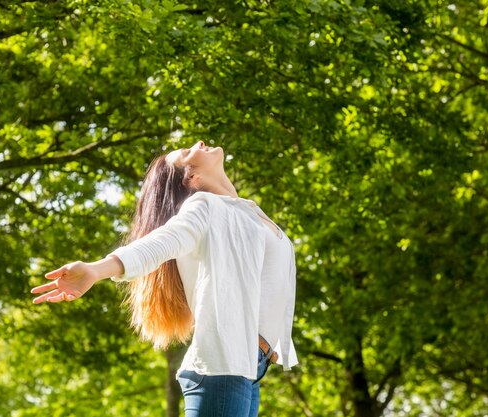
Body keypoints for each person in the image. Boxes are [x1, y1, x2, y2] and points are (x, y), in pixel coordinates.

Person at [31, 140, 298, 416]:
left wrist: (269, 345)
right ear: (192, 178)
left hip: (247, 366)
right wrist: (96, 269)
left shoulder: (247, 212)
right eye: (186, 152)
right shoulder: (204, 207)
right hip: (222, 368)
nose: (199, 143)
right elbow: (159, 243)